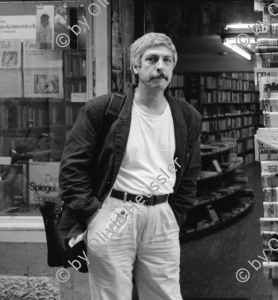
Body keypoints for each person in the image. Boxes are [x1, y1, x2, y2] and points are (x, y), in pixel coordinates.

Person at [58, 32, 202, 300]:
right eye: (152, 59)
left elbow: (191, 172)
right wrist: (93, 215)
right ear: (136, 66)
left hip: (162, 214)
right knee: (112, 295)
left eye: (167, 60)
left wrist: (175, 215)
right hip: (114, 212)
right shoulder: (103, 109)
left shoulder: (186, 116)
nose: (160, 66)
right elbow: (72, 168)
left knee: (165, 294)